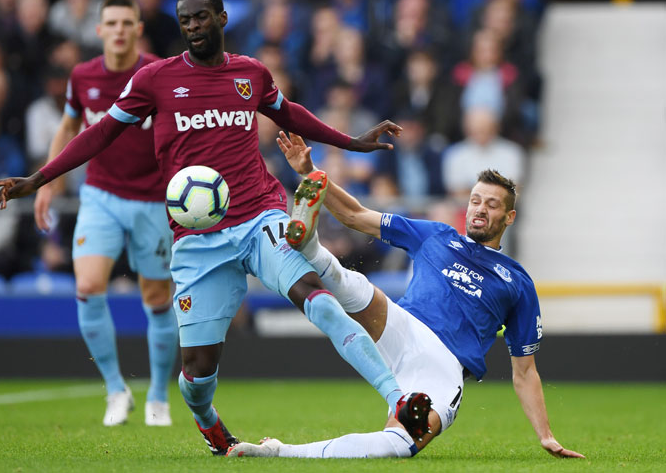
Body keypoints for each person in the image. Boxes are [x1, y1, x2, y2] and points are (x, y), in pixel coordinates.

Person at [0, 0, 418, 456]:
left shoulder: (250, 74)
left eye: (201, 18)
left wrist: (352, 142)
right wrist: (39, 177)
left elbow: (289, 114)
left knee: (316, 298)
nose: (192, 27)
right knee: (197, 376)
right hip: (197, 240)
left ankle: (398, 399)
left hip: (260, 215)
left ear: (221, 18)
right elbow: (101, 134)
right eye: (185, 21)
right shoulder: (155, 80)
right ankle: (207, 420)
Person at [226, 132, 584, 460]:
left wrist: (546, 435)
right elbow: (354, 215)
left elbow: (524, 372)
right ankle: (310, 244)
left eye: (491, 204)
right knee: (350, 284)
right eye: (476, 200)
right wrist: (311, 172)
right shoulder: (437, 235)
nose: (480, 209)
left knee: (398, 445)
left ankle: (277, 452)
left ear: (509, 217)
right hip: (402, 326)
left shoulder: (517, 281)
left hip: (443, 366)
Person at [33, 0, 178, 427]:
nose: (118, 30)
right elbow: (68, 126)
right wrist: (46, 181)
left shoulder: (157, 74)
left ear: (138, 28)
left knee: (156, 298)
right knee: (88, 285)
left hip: (153, 200)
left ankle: (157, 396)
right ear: (99, 31)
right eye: (110, 23)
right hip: (100, 195)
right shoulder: (82, 76)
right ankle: (116, 390)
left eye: (125, 23)